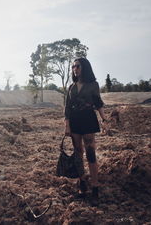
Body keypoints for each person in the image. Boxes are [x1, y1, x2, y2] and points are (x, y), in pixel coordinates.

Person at [64, 57, 108, 203]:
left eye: (77, 66)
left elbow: (98, 103)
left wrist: (104, 119)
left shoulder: (93, 85)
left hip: (88, 119)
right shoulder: (71, 87)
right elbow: (67, 108)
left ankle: (95, 187)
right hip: (75, 121)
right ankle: (82, 183)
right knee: (78, 153)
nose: (74, 69)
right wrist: (67, 125)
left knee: (90, 153)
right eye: (73, 67)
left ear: (85, 68)